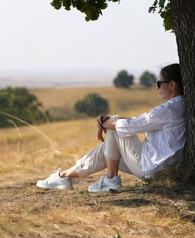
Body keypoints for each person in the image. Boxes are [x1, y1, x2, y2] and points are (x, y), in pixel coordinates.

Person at [36, 63, 185, 192]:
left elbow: (131, 126)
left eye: (159, 83)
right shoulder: (180, 107)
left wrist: (106, 123)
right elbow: (142, 123)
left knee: (116, 123)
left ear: (172, 85)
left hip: (150, 168)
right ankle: (64, 177)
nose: (156, 87)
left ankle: (111, 179)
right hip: (156, 166)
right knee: (106, 149)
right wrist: (109, 123)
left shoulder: (169, 110)